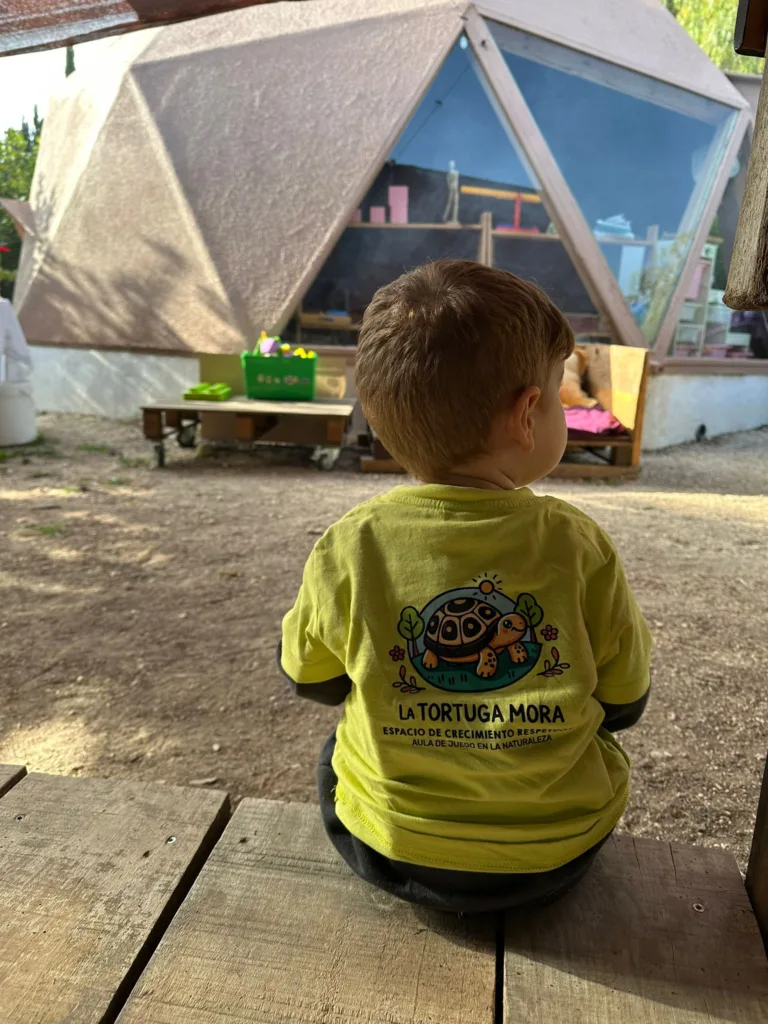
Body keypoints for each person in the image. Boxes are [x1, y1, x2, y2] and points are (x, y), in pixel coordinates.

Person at [279, 260, 651, 914]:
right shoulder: (578, 544)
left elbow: (311, 678)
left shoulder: (351, 543)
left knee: (340, 742)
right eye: (561, 393)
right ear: (528, 414)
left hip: (391, 848)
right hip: (557, 850)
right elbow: (624, 700)